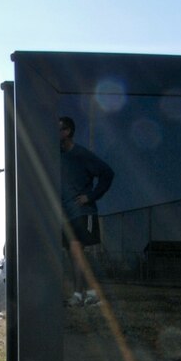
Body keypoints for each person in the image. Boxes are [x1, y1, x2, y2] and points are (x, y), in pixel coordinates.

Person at [59, 116, 114, 306]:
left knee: (82, 251)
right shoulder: (57, 156)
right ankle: (79, 294)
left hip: (83, 213)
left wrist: (90, 197)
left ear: (67, 132)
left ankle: (94, 294)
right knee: (73, 253)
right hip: (67, 215)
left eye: (59, 129)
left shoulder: (81, 155)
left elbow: (107, 173)